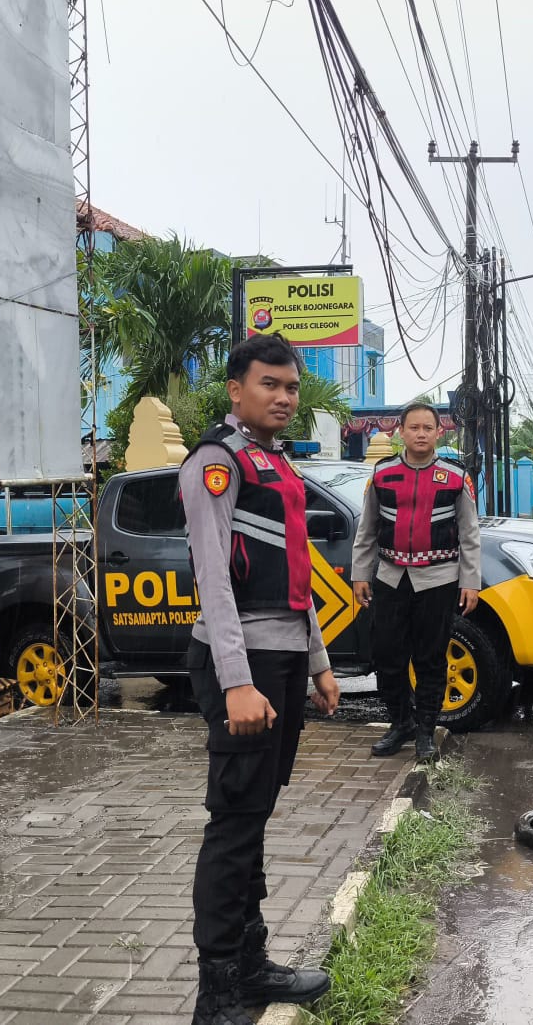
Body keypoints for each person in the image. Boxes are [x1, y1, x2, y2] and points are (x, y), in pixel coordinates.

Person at [178, 334, 341, 1025]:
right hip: (240, 663)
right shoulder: (215, 463)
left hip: (281, 658)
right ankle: (216, 992)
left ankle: (250, 965)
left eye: (291, 386)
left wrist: (318, 661)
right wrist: (237, 682)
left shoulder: (273, 461)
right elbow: (213, 579)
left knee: (254, 817)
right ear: (235, 389)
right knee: (234, 822)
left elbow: (298, 575)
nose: (284, 397)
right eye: (269, 384)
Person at [350, 402, 481, 763]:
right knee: (386, 656)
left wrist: (470, 581)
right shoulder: (382, 473)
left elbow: (470, 534)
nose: (421, 434)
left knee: (430, 659)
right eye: (414, 428)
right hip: (390, 578)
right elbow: (367, 529)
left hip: (438, 580)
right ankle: (400, 723)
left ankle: (425, 731)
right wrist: (360, 574)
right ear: (401, 432)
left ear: (439, 432)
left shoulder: (456, 476)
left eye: (427, 428)